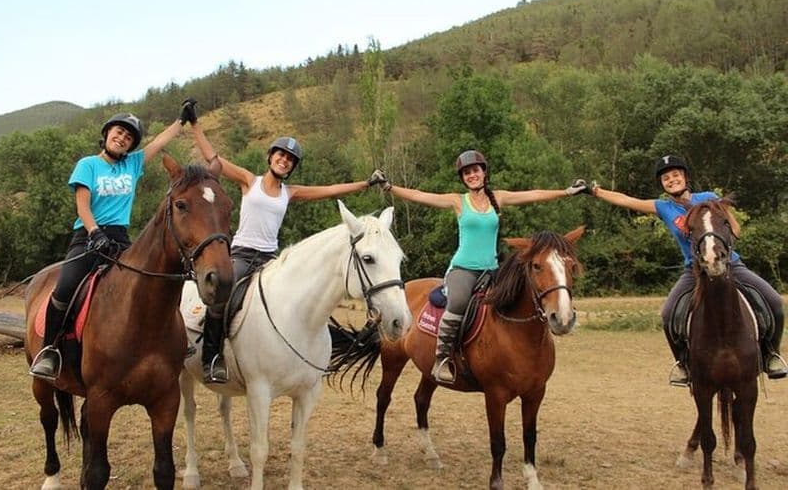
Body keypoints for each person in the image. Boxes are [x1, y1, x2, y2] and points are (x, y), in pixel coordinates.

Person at [181, 99, 386, 383]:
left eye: (289, 159)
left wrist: (365, 184)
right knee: (223, 293)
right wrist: (195, 125)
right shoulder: (247, 181)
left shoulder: (290, 192)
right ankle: (212, 356)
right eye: (280, 155)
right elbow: (213, 159)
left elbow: (330, 190)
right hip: (241, 254)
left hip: (270, 259)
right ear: (270, 157)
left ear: (291, 167)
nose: (284, 160)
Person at [375, 150, 587, 384]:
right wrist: (389, 188)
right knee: (457, 303)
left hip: (493, 269)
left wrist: (566, 192)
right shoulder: (458, 201)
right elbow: (419, 195)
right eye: (467, 173)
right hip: (463, 269)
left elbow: (533, 194)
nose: (472, 175)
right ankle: (443, 358)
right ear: (463, 178)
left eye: (475, 170)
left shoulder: (498, 197)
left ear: (484, 172)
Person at [588, 155, 787, 386]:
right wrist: (595, 191)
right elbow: (626, 200)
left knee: (773, 301)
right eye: (666, 178)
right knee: (667, 314)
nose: (671, 180)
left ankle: (771, 354)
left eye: (675, 175)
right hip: (692, 271)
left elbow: (736, 229)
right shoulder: (663, 207)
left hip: (730, 264)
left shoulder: (710, 198)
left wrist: (718, 244)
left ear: (685, 176)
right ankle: (683, 364)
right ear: (662, 184)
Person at [29, 104, 189, 381]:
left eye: (129, 137)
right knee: (65, 288)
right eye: (119, 132)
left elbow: (160, 141)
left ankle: (169, 343)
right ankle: (49, 351)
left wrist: (181, 120)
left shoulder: (133, 164)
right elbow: (82, 206)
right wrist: (94, 233)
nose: (123, 138)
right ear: (107, 134)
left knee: (156, 284)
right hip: (88, 237)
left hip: (120, 240)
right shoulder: (88, 165)